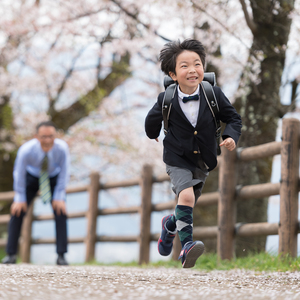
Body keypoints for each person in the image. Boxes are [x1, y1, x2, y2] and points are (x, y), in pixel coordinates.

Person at [145, 39, 242, 268]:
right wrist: (153, 133)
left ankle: (170, 224)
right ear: (173, 73)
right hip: (176, 157)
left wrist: (230, 136)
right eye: (184, 66)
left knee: (185, 205)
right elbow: (151, 121)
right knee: (186, 197)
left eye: (197, 64)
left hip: (204, 159)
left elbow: (233, 118)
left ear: (204, 68)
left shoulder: (213, 94)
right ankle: (186, 247)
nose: (192, 70)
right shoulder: (166, 98)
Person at [1, 121, 70, 265]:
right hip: (31, 178)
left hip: (53, 178)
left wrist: (59, 196)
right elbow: (18, 173)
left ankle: (61, 255)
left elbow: (64, 172)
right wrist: (19, 197)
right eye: (43, 137)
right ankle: (11, 254)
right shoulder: (26, 150)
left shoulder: (62, 148)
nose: (47, 140)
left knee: (61, 211)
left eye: (51, 136)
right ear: (36, 137)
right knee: (17, 211)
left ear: (55, 136)